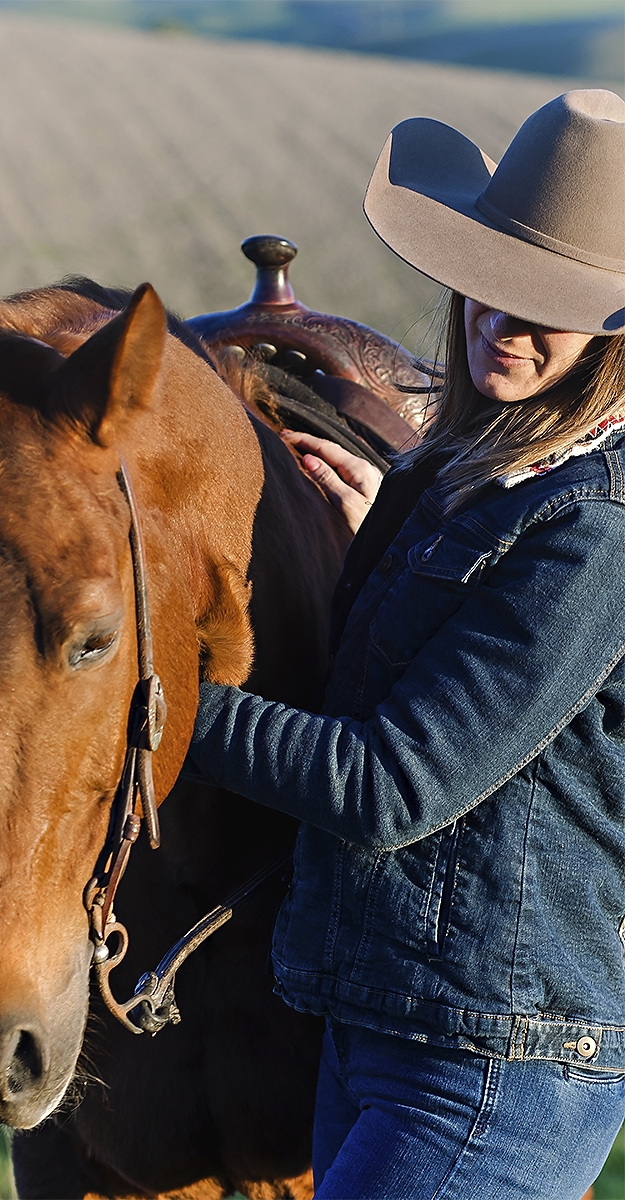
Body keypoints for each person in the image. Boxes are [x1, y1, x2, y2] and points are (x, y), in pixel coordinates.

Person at [187, 89, 625, 1199]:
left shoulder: (595, 530)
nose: (501, 322)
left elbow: (390, 784)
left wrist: (145, 703)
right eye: (489, 278)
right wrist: (389, 533)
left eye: (550, 305)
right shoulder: (467, 474)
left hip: (495, 1067)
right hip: (390, 1024)